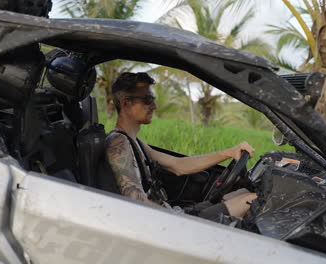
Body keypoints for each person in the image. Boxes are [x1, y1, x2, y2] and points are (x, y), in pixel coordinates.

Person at [105, 72, 257, 220]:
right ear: (126, 103)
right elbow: (136, 202)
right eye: (147, 99)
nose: (154, 106)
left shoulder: (134, 142)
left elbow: (178, 165)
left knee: (243, 192)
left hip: (171, 212)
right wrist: (178, 220)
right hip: (167, 222)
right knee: (251, 200)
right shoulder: (118, 143)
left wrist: (229, 152)